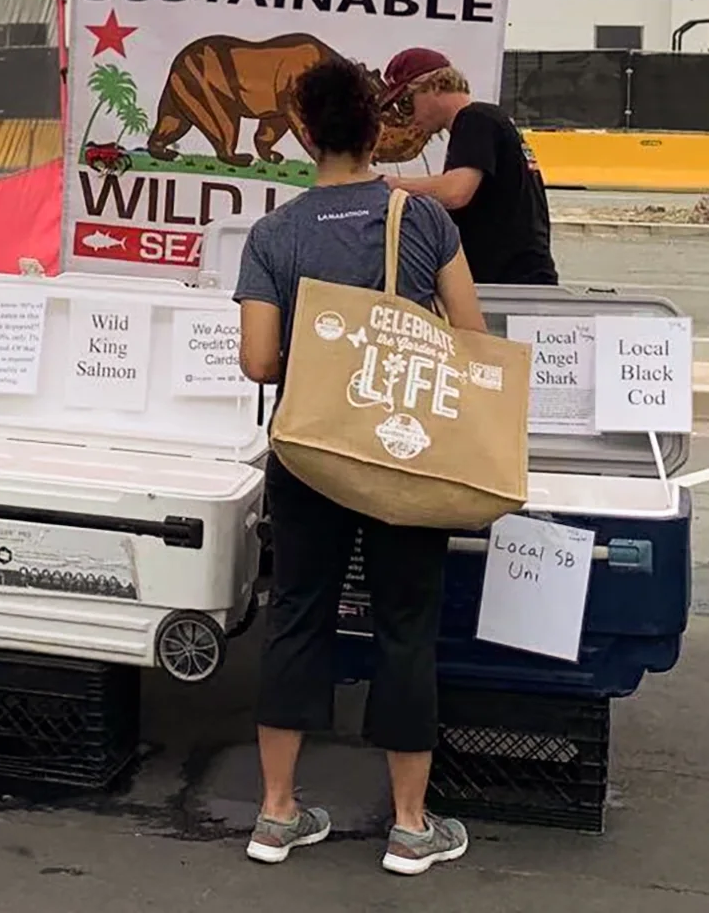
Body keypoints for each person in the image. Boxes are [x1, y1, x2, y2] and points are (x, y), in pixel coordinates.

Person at [233, 57, 484, 877]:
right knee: (406, 625)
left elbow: (260, 362)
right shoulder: (421, 223)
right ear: (379, 130)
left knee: (298, 614)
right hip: (404, 455)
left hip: (309, 454)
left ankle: (275, 813)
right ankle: (411, 825)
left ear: (305, 135)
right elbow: (472, 339)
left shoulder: (275, 234)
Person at [380, 48, 557, 286]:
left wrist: (388, 185)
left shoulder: (475, 119)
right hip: (520, 278)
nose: (408, 117)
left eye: (406, 103)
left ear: (435, 86)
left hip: (509, 283)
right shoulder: (490, 122)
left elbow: (455, 192)